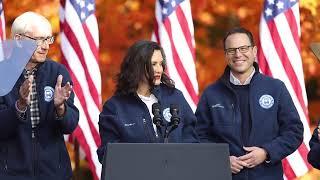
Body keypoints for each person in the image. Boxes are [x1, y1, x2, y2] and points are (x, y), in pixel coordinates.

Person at [195, 27, 303, 179]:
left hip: (267, 176)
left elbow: (294, 131)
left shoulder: (275, 88)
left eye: (243, 48)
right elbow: (198, 136)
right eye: (231, 50)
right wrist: (220, 159)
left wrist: (266, 152)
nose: (238, 54)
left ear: (254, 51)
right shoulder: (211, 94)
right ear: (226, 55)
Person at [0, 12, 79, 180]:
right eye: (39, 40)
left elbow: (70, 125)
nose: (46, 46)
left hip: (55, 174)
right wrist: (19, 106)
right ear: (19, 41)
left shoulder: (58, 72)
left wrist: (61, 108)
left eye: (48, 39)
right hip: (11, 174)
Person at [97, 40, 199, 163]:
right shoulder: (115, 108)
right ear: (137, 66)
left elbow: (192, 139)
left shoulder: (175, 97)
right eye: (153, 64)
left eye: (161, 64)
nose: (159, 69)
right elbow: (107, 155)